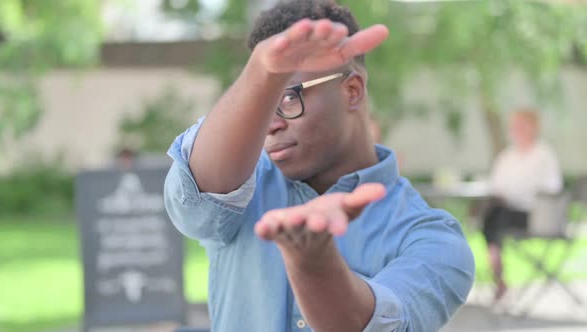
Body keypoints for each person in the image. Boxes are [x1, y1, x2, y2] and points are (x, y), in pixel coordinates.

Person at [164, 1, 474, 331]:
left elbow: (385, 327)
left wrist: (312, 260)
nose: (270, 125)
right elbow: (192, 202)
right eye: (262, 103)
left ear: (352, 91)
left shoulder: (431, 239)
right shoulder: (244, 178)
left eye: (287, 98)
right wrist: (261, 71)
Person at [483, 109, 562, 301]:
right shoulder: (506, 156)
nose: (517, 129)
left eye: (521, 124)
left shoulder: (544, 155)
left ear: (533, 127)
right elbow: (497, 186)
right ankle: (496, 262)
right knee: (492, 213)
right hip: (506, 210)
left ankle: (496, 266)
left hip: (533, 215)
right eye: (514, 125)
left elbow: (552, 188)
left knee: (495, 216)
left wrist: (521, 191)